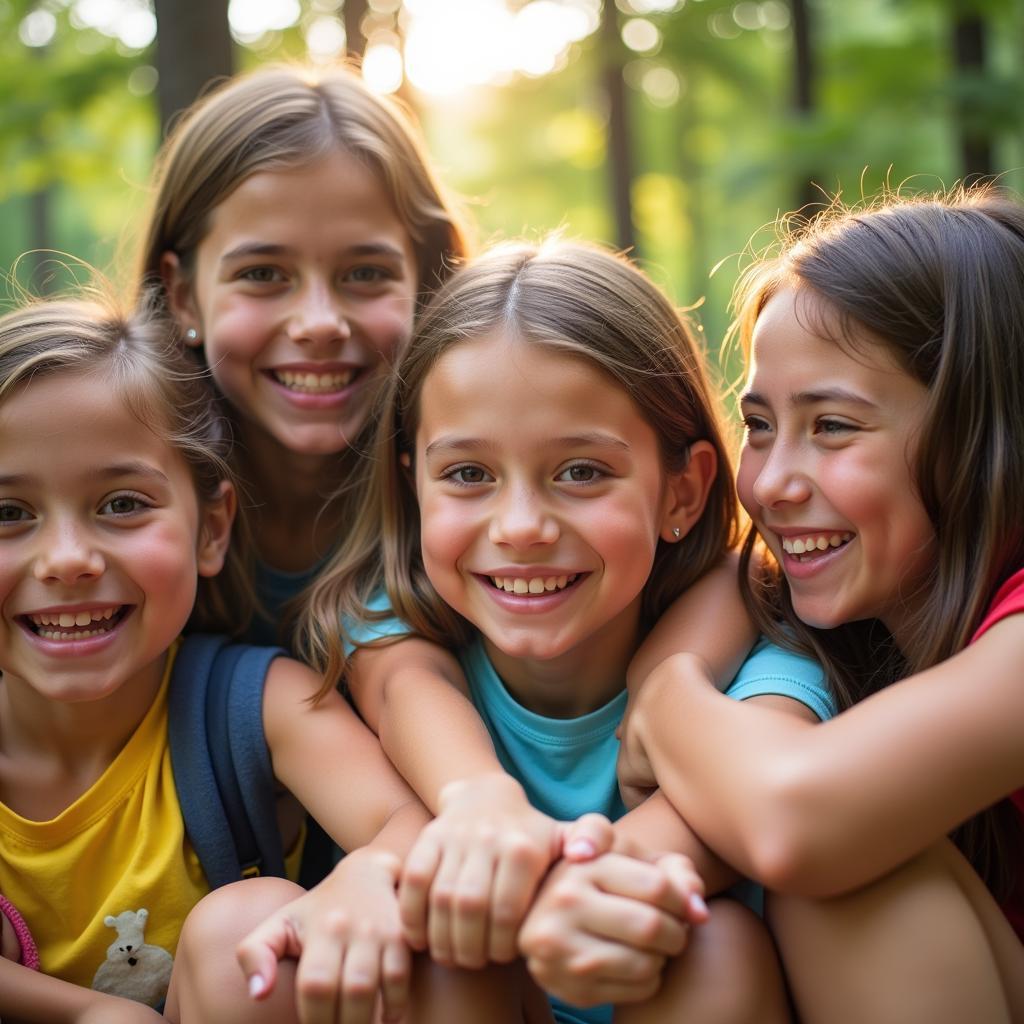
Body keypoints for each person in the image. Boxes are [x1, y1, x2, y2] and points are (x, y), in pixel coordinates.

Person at [285, 239, 837, 1023]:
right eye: (469, 474)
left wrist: (560, 882)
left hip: (667, 984)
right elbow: (407, 687)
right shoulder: (388, 626)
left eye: (580, 472)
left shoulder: (763, 657)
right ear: (412, 487)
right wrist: (479, 801)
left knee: (716, 946)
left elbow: (729, 813)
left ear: (683, 492)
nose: (520, 528)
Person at [0, 292, 485, 1024]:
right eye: (9, 514)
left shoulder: (251, 706)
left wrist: (363, 879)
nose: (67, 559)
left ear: (211, 527)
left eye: (122, 504)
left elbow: (412, 826)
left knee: (250, 924)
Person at [618, 187, 1024, 1022]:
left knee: (851, 870)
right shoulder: (813, 580)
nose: (769, 484)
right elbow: (681, 648)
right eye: (759, 426)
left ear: (986, 432)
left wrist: (666, 702)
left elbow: (791, 818)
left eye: (834, 426)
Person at [135, 62, 470, 647]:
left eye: (365, 272)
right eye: (263, 274)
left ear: (427, 284)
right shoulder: (112, 507)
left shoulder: (486, 492)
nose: (320, 324)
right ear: (185, 296)